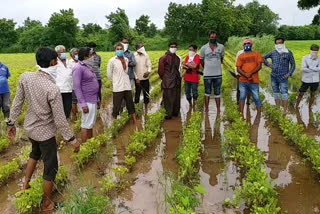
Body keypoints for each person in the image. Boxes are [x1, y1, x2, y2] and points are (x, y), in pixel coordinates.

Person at [6, 48, 80, 213]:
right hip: (45, 134)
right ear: (53, 62)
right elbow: (60, 120)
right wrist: (73, 140)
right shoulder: (51, 88)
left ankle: (25, 184)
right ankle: (46, 204)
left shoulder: (26, 77)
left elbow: (17, 102)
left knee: (34, 153)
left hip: (30, 129)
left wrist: (11, 123)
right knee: (51, 167)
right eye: (57, 60)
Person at [73, 47, 100, 143]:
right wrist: (83, 104)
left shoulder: (87, 66)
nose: (92, 56)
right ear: (85, 56)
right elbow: (77, 87)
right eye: (90, 55)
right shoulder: (78, 68)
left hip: (92, 99)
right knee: (86, 124)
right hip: (87, 100)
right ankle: (85, 146)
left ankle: (90, 143)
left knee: (90, 124)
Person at [263, 37, 296, 113]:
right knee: (276, 93)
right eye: (277, 43)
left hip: (283, 77)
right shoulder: (273, 52)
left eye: (280, 43)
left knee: (284, 93)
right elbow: (263, 58)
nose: (279, 45)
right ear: (275, 44)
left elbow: (293, 64)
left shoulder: (288, 52)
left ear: (283, 43)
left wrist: (288, 74)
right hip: (274, 76)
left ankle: (284, 110)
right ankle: (277, 108)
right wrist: (268, 64)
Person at [107, 43, 137, 122]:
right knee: (116, 106)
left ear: (123, 50)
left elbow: (126, 71)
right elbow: (109, 75)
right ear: (115, 50)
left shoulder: (126, 60)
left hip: (127, 86)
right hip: (118, 87)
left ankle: (135, 121)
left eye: (121, 49)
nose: (119, 50)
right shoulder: (112, 61)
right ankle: (114, 124)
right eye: (118, 49)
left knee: (130, 105)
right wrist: (115, 81)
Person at [236, 38, 263, 119]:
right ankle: (241, 114)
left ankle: (259, 115)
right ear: (243, 45)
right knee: (242, 97)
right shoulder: (241, 56)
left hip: (254, 80)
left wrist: (250, 73)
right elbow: (238, 68)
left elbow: (259, 66)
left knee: (256, 97)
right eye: (245, 44)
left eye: (249, 43)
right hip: (243, 81)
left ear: (251, 45)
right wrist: (246, 75)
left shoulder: (257, 54)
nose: (247, 45)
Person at [200, 30, 225, 113]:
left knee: (217, 92)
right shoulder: (204, 48)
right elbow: (201, 60)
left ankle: (218, 110)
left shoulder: (221, 47)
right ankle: (206, 109)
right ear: (209, 38)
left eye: (214, 37)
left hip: (218, 74)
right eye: (211, 37)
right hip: (207, 75)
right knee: (207, 92)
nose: (213, 38)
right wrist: (207, 67)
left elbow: (221, 58)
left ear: (216, 37)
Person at [158, 41, 182, 120]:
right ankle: (168, 115)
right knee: (168, 99)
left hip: (176, 81)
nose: (173, 48)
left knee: (176, 98)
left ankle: (175, 113)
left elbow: (178, 70)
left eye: (174, 47)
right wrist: (165, 79)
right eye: (171, 47)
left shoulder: (178, 58)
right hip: (167, 82)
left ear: (177, 48)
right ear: (169, 47)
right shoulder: (163, 58)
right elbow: (160, 71)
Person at [295, 44, 320, 109]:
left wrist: (310, 67)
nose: (315, 52)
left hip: (315, 80)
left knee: (313, 94)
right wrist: (315, 68)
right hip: (306, 79)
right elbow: (303, 69)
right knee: (301, 93)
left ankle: (310, 108)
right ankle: (296, 106)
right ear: (310, 50)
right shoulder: (305, 58)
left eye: (316, 51)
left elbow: (319, 69)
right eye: (313, 50)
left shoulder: (319, 59)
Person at [55, 45, 73, 119]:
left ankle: (67, 121)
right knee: (59, 109)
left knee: (68, 108)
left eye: (64, 52)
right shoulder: (55, 62)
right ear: (57, 54)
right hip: (59, 90)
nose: (63, 54)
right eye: (61, 52)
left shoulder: (69, 62)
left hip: (69, 89)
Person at [134, 42, 152, 107]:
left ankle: (146, 108)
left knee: (146, 94)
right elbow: (132, 69)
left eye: (143, 46)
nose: (143, 48)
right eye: (141, 47)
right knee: (137, 94)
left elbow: (149, 65)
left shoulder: (146, 55)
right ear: (137, 48)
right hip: (137, 79)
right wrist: (136, 78)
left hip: (145, 78)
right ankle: (136, 108)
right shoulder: (134, 56)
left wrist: (148, 72)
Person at [67, 48, 79, 119]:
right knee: (74, 102)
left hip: (81, 85)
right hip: (73, 85)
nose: (77, 55)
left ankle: (78, 114)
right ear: (71, 55)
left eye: (77, 53)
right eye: (75, 54)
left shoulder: (81, 61)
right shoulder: (69, 63)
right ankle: (75, 116)